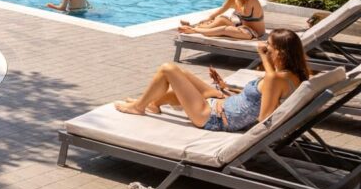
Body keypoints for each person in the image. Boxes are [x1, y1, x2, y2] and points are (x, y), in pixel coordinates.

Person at [114, 30, 310, 133]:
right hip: (223, 103)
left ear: (280, 52)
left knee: (168, 69)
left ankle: (139, 107)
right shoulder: (295, 76)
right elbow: (258, 100)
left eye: (269, 46)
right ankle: (152, 103)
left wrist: (264, 59)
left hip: (213, 117)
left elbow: (264, 117)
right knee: (181, 73)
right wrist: (227, 89)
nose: (264, 48)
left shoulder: (275, 79)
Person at [178, 0, 264, 39]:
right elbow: (219, 11)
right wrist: (208, 19)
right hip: (241, 28)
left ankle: (194, 30)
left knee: (225, 29)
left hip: (253, 33)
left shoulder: (252, 1)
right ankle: (193, 27)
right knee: (220, 19)